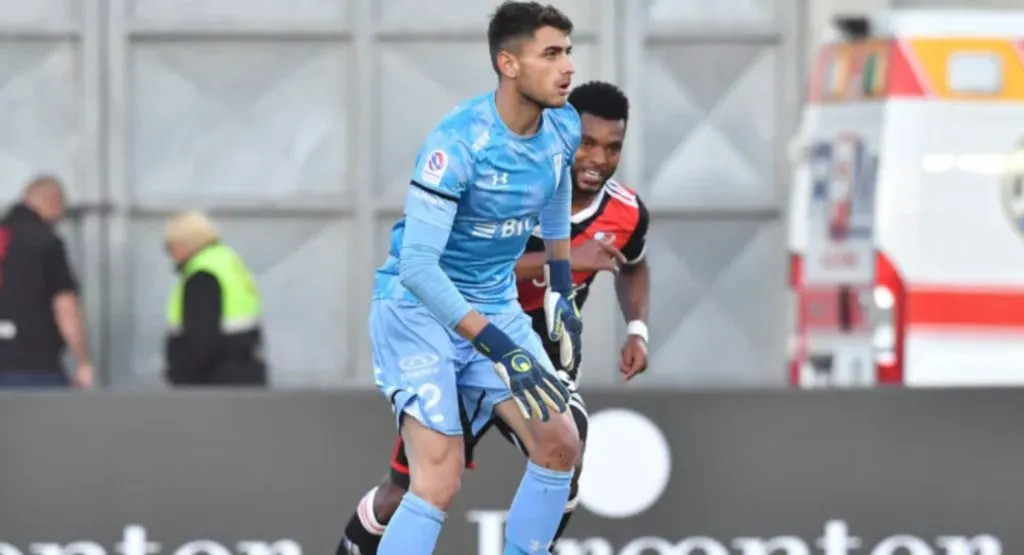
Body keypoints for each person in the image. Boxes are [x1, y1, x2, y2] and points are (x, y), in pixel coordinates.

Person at [339, 80, 650, 554]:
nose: (597, 159)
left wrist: (636, 329)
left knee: (566, 444)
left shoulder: (626, 212)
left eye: (613, 148)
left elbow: (634, 264)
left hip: (537, 346)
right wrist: (560, 259)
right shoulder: (519, 190)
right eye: (586, 143)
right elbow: (463, 264)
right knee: (415, 485)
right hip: (468, 335)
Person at [366, 2, 586, 553]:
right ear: (508, 64)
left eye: (568, 52)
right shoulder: (457, 144)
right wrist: (499, 347)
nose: (568, 68)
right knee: (438, 479)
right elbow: (418, 268)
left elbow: (555, 187)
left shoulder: (564, 124)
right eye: (551, 54)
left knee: (560, 444)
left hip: (492, 302)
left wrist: (560, 283)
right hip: (416, 311)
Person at [0, 175, 94, 389]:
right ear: (55, 203)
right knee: (45, 420)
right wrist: (83, 362)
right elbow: (65, 306)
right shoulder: (46, 242)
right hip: (33, 365)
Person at [162, 210, 267, 386]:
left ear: (183, 244)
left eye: (171, 248)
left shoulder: (203, 275)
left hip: (213, 384)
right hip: (242, 376)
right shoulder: (228, 262)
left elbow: (201, 341)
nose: (172, 256)